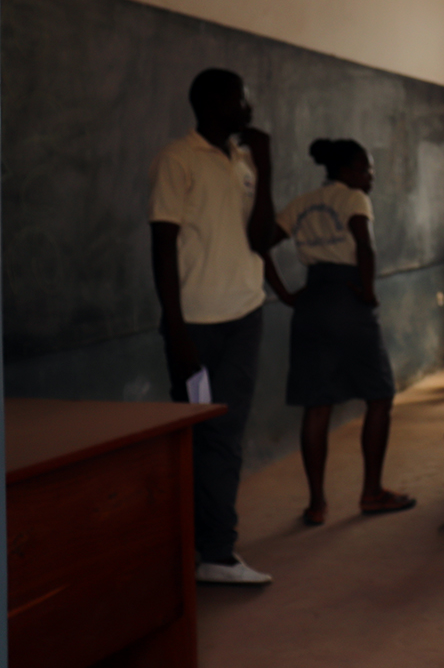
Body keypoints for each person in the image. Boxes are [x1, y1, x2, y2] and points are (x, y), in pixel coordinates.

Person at [149, 68, 276, 585]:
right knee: (201, 436)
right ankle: (205, 549)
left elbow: (263, 238)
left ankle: (217, 551)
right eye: (241, 99)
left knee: (226, 435)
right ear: (213, 102)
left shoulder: (244, 161)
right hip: (196, 325)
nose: (248, 108)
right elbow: (161, 246)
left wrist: (266, 169)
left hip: (245, 314)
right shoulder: (178, 159)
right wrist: (175, 329)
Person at [272, 139, 414, 526]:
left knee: (317, 406)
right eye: (366, 169)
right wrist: (367, 293)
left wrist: (285, 293)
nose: (370, 178)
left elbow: (259, 244)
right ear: (348, 171)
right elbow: (364, 247)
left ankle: (317, 504)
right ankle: (372, 492)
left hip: (312, 301)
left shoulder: (301, 203)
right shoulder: (354, 199)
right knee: (380, 396)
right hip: (348, 300)